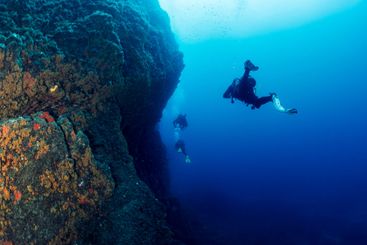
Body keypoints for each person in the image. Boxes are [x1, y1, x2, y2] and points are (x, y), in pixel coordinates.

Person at [223, 60, 297, 114]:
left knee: (244, 89)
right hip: (247, 95)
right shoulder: (238, 85)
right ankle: (273, 98)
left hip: (243, 94)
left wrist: (232, 96)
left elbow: (224, 96)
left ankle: (247, 69)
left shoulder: (233, 87)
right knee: (257, 101)